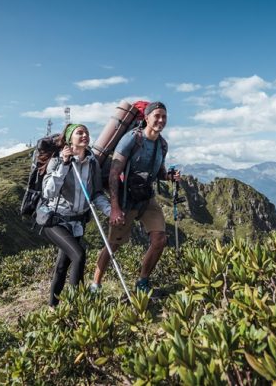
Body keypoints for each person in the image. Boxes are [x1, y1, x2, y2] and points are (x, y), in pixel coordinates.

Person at [91, 101, 181, 293]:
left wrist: (169, 177)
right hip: (126, 199)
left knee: (160, 239)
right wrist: (114, 207)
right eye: (157, 116)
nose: (161, 120)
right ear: (146, 118)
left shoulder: (162, 145)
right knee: (113, 244)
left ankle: (143, 281)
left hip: (147, 198)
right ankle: (96, 284)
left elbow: (159, 172)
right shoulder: (131, 139)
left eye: (164, 116)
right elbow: (115, 173)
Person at [41, 123, 110, 307]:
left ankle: (52, 307)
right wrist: (64, 164)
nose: (85, 135)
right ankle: (78, 305)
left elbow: (96, 193)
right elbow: (48, 193)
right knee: (79, 255)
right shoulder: (57, 161)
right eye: (80, 133)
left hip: (78, 222)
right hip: (55, 220)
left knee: (62, 265)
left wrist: (110, 211)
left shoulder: (92, 162)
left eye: (86, 132)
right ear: (70, 139)